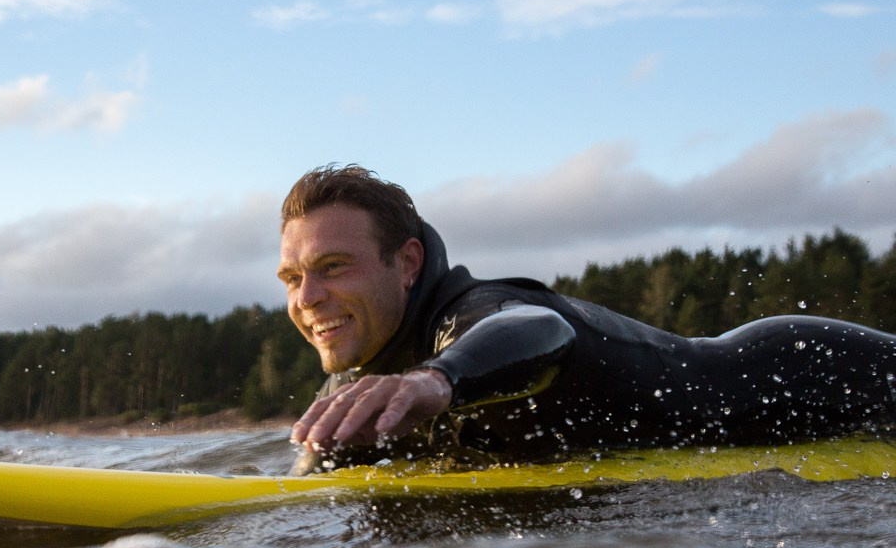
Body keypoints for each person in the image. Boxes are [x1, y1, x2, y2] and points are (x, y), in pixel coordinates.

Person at [277, 164, 896, 474]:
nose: (307, 297)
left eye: (333, 267)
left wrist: (435, 379)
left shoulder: (474, 315)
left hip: (798, 377)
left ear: (408, 263)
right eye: (291, 278)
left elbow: (543, 331)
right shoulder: (357, 390)